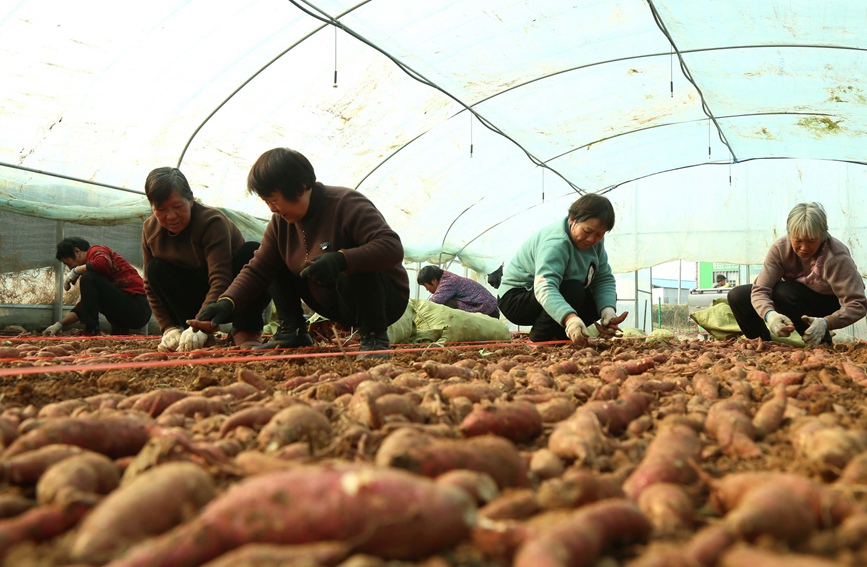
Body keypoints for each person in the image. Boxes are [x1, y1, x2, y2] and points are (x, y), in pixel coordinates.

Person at [189, 147, 409, 357]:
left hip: (382, 302)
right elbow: (257, 269)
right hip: (332, 302)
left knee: (358, 261)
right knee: (270, 259)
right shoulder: (280, 224)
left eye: (274, 200)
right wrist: (227, 302)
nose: (272, 209)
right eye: (266, 201)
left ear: (301, 187)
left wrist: (341, 259)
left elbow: (391, 246)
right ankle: (292, 330)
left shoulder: (345, 204)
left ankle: (373, 337)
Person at [142, 167, 272, 351]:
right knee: (155, 268)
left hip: (233, 298)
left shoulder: (212, 222)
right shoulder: (150, 230)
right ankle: (188, 328)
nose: (170, 216)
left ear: (191, 199)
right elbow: (149, 285)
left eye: (178, 206)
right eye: (160, 209)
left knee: (252, 252)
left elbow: (221, 278)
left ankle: (245, 329)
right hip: (195, 298)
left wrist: (201, 323)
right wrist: (168, 327)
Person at [728, 202, 866, 347]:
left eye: (812, 241)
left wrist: (826, 322)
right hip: (794, 299)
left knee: (783, 291)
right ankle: (763, 344)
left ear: (823, 235)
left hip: (827, 304)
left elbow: (857, 304)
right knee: (738, 296)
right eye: (798, 240)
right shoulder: (780, 249)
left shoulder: (837, 256)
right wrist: (770, 315)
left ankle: (821, 343)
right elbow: (760, 289)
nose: (804, 247)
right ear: (789, 234)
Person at [497, 193, 627, 344]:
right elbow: (544, 287)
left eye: (599, 234)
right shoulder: (556, 242)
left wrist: (608, 312)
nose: (592, 239)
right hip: (517, 299)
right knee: (572, 290)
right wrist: (570, 318)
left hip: (551, 296)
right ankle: (539, 339)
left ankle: (561, 338)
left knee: (598, 300)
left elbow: (603, 278)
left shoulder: (596, 244)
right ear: (572, 219)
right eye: (587, 231)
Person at [43, 237, 151, 336]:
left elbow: (102, 264)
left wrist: (76, 271)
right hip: (130, 310)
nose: (70, 267)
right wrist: (59, 325)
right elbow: (86, 305)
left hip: (138, 307)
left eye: (68, 263)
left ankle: (92, 329)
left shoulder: (96, 250)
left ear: (77, 252)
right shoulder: (96, 275)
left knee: (89, 276)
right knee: (90, 283)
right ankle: (120, 330)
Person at [417, 265, 500, 318]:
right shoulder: (447, 278)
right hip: (486, 308)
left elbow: (433, 303)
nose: (427, 289)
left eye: (426, 286)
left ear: (434, 280)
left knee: (446, 304)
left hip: (489, 311)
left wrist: (415, 310)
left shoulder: (448, 282)